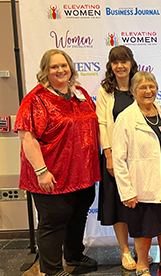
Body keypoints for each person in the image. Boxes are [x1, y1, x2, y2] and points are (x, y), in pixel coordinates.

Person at [15, 49, 100, 276]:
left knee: (77, 217)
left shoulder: (78, 93)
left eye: (64, 65)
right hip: (52, 174)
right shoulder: (36, 99)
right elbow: (27, 138)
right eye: (54, 67)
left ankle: (73, 256)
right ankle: (51, 270)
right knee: (53, 223)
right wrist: (42, 172)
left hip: (82, 174)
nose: (60, 70)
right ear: (45, 71)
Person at [113, 72, 161, 276]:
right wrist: (126, 191)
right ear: (134, 91)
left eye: (152, 86)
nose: (148, 91)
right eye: (142, 87)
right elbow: (118, 158)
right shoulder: (126, 118)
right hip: (142, 181)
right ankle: (142, 264)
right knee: (144, 226)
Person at [97, 45, 154, 271]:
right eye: (115, 62)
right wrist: (109, 155)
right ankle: (124, 250)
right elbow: (102, 123)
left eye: (124, 61)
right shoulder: (105, 91)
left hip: (140, 159)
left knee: (139, 204)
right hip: (116, 158)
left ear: (131, 63)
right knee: (118, 206)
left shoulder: (139, 86)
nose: (120, 66)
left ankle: (141, 253)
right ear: (111, 66)